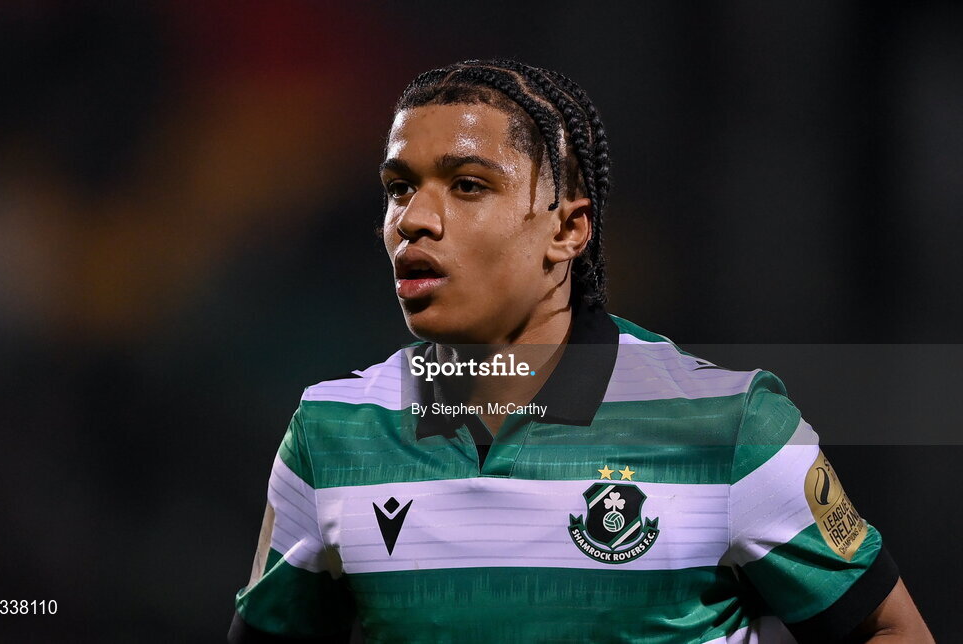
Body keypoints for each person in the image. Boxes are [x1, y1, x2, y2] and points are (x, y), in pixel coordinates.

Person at [228, 60, 931, 643]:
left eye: (468, 186)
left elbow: (887, 630)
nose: (414, 219)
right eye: (399, 188)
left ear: (567, 230)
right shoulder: (330, 434)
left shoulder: (727, 425)